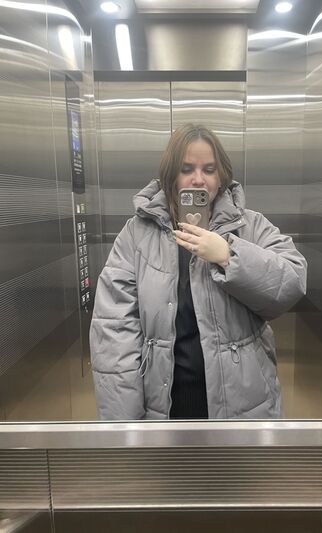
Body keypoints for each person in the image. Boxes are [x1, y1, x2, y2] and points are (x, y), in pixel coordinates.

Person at [89, 123, 307, 420]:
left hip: (243, 406)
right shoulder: (136, 236)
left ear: (221, 176)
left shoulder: (249, 226)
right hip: (163, 406)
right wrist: (126, 428)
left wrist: (229, 255)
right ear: (170, 175)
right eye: (186, 168)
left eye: (209, 169)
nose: (198, 179)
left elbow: (292, 281)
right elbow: (114, 331)